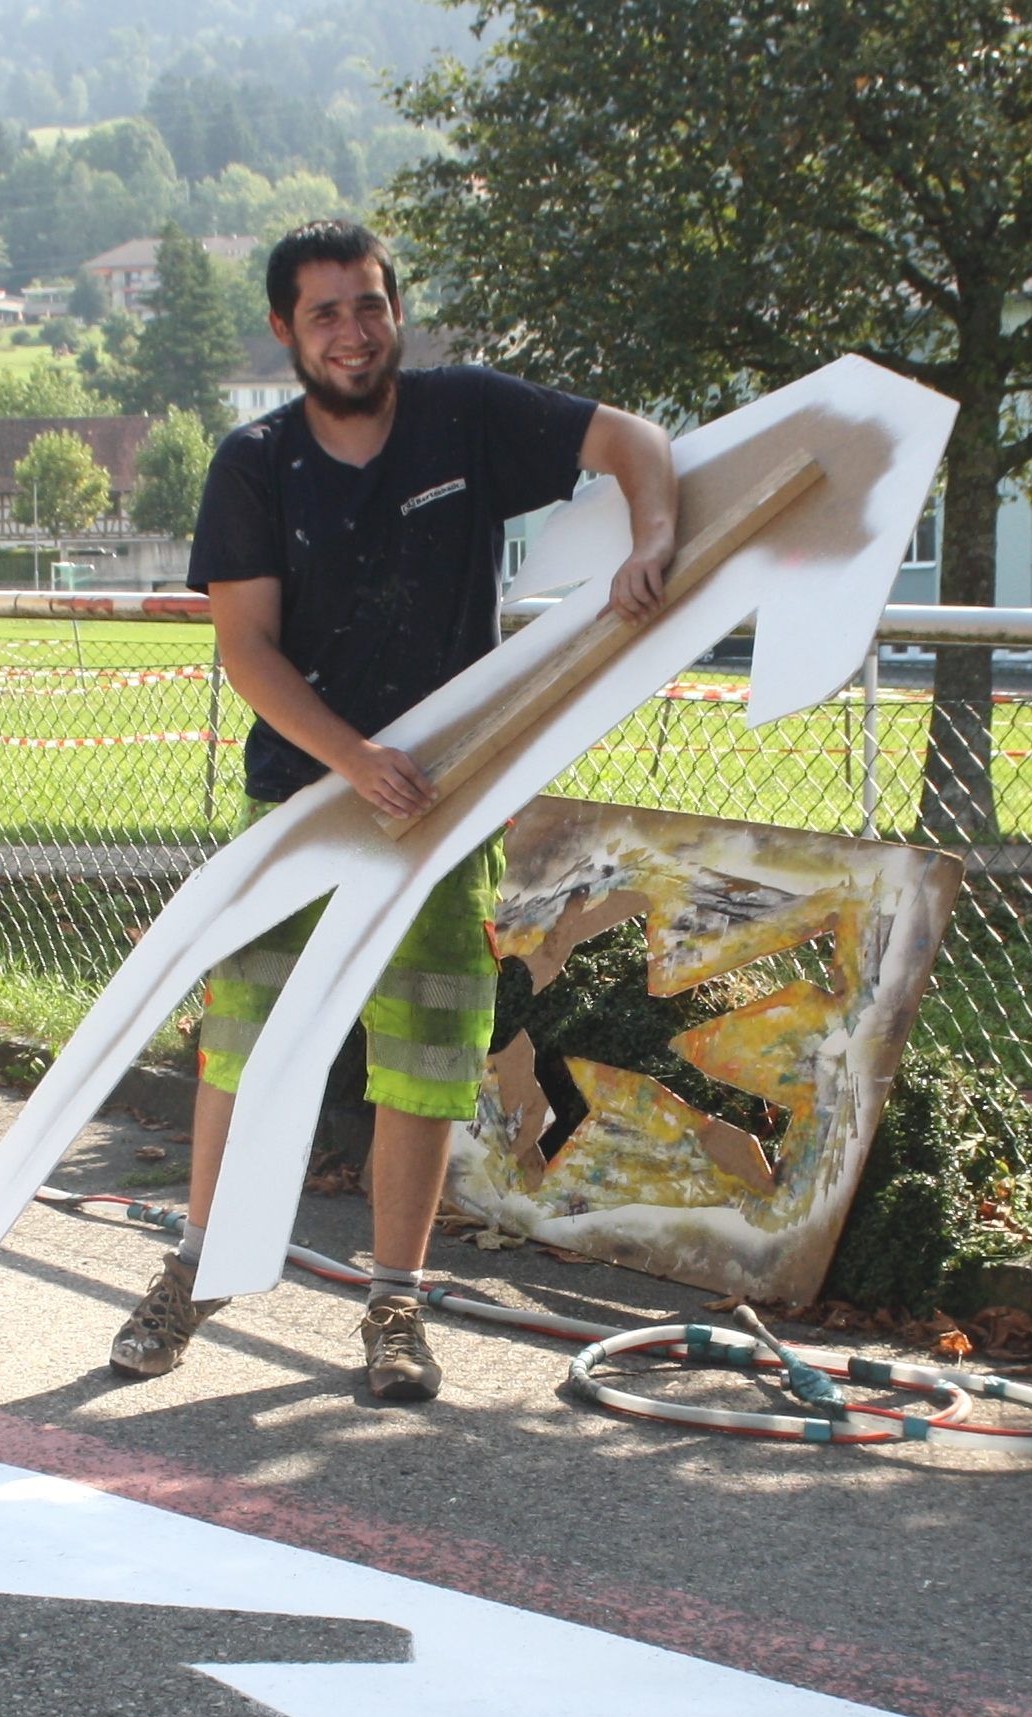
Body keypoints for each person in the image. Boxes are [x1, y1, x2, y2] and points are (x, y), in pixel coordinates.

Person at [110, 217, 681, 1403]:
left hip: (443, 817)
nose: (353, 332)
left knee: (422, 1058)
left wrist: (655, 539)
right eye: (324, 313)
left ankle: (396, 1308)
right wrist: (352, 760)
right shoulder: (255, 464)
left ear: (395, 312)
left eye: (369, 305)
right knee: (244, 1047)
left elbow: (635, 442)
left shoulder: (463, 415)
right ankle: (194, 1272)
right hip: (300, 813)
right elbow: (249, 651)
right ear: (284, 331)